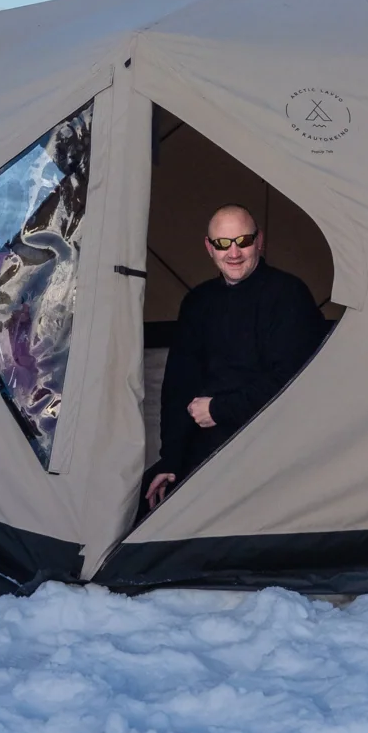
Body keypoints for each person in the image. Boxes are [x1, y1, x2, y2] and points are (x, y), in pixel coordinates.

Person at [144, 203, 327, 512]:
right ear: (209, 248)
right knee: (147, 504)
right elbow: (178, 386)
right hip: (206, 440)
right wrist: (170, 459)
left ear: (259, 241)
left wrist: (219, 409)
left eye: (243, 241)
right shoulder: (197, 302)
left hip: (268, 441)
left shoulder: (289, 295)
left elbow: (293, 382)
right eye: (222, 244)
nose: (233, 253)